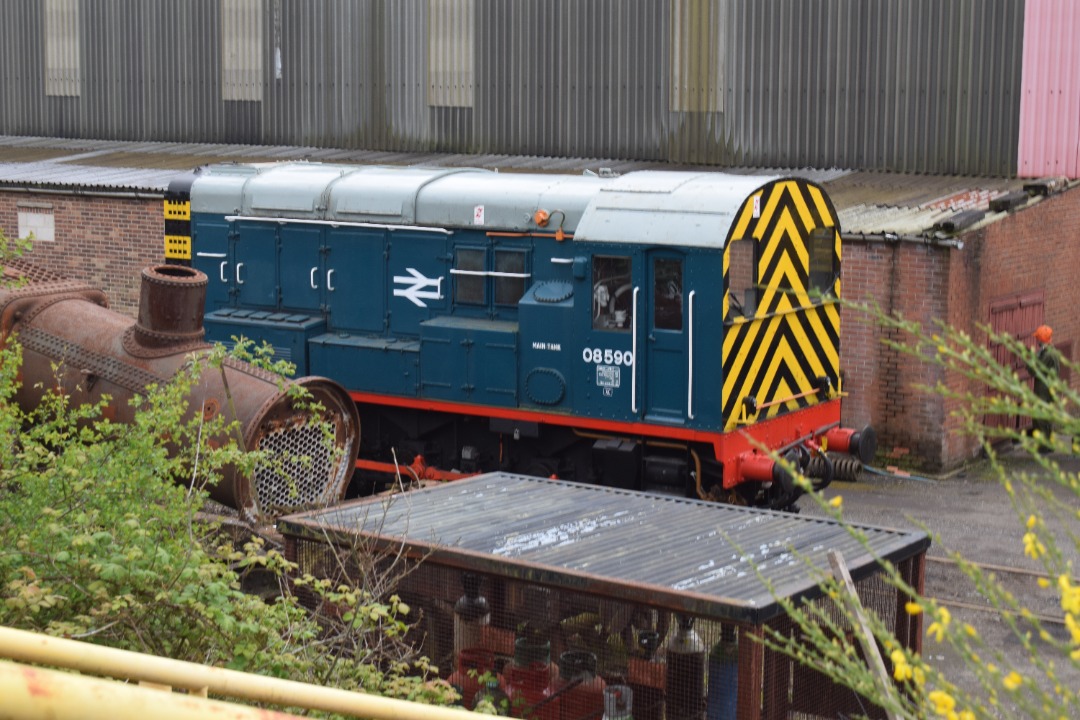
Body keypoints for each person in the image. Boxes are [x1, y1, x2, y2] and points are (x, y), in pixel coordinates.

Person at [1030, 324, 1059, 453]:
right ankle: (1047, 444)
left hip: (1044, 390)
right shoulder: (1049, 352)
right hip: (1047, 389)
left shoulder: (1047, 355)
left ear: (1042, 339)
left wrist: (1030, 360)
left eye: (1038, 338)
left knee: (1040, 418)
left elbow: (1034, 370)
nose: (1036, 341)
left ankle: (1044, 446)